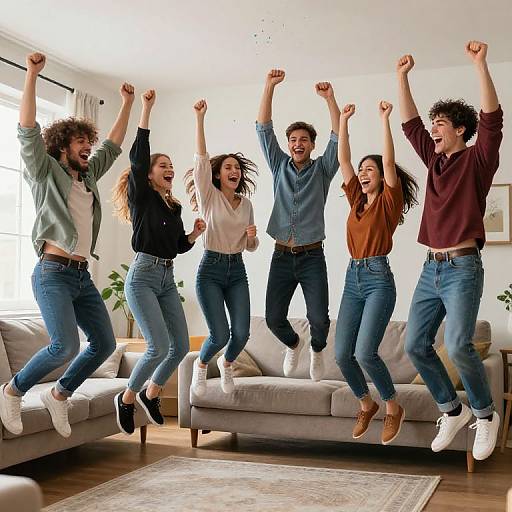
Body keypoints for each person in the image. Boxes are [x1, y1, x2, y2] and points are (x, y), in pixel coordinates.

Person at [0, 52, 134, 437]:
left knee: (105, 342)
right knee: (63, 345)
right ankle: (13, 390)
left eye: (88, 142)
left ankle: (59, 394)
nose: (88, 147)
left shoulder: (88, 175)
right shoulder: (45, 172)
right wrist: (30, 75)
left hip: (81, 275)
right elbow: (26, 129)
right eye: (80, 141)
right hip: (53, 272)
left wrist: (126, 104)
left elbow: (113, 145)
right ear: (62, 145)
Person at [397, 40, 502, 460]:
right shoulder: (434, 162)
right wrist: (402, 78)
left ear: (459, 129)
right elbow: (410, 125)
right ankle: (452, 409)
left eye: (440, 123)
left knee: (458, 345)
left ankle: (486, 414)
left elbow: (492, 120)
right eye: (433, 123)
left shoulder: (477, 161)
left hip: (462, 267)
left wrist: (480, 65)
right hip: (431, 269)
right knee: (415, 345)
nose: (432, 129)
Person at [111, 90, 205, 434]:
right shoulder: (142, 197)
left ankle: (152, 393)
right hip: (142, 276)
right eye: (162, 166)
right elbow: (138, 156)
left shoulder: (174, 207)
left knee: (179, 345)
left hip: (166, 276)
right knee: (158, 346)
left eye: (170, 166)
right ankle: (127, 398)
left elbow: (177, 246)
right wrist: (147, 108)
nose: (169, 169)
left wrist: (193, 235)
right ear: (148, 175)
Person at [335, 100, 419, 444]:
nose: (364, 172)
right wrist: (342, 121)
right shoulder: (356, 199)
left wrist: (384, 118)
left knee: (364, 352)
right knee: (342, 354)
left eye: (370, 169)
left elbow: (388, 161)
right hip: (351, 278)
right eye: (363, 169)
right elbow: (343, 160)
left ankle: (392, 407)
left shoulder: (388, 202)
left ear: (383, 177)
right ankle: (366, 403)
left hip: (378, 279)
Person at [256, 69, 340, 381]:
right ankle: (294, 345)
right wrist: (269, 87)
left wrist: (330, 99)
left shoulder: (323, 169)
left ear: (312, 144)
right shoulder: (279, 166)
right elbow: (264, 130)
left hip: (312, 257)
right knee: (273, 317)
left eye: (303, 139)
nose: (297, 143)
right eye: (293, 140)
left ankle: (317, 350)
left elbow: (337, 136)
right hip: (281, 256)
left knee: (319, 319)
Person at [186, 99, 259, 395]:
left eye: (237, 168)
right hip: (211, 270)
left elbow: (251, 246)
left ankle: (226, 364)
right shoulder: (209, 197)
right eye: (228, 167)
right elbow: (201, 161)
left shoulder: (247, 205)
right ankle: (202, 365)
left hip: (237, 269)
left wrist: (253, 237)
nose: (235, 171)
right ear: (218, 174)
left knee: (241, 333)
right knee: (219, 334)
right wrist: (200, 118)